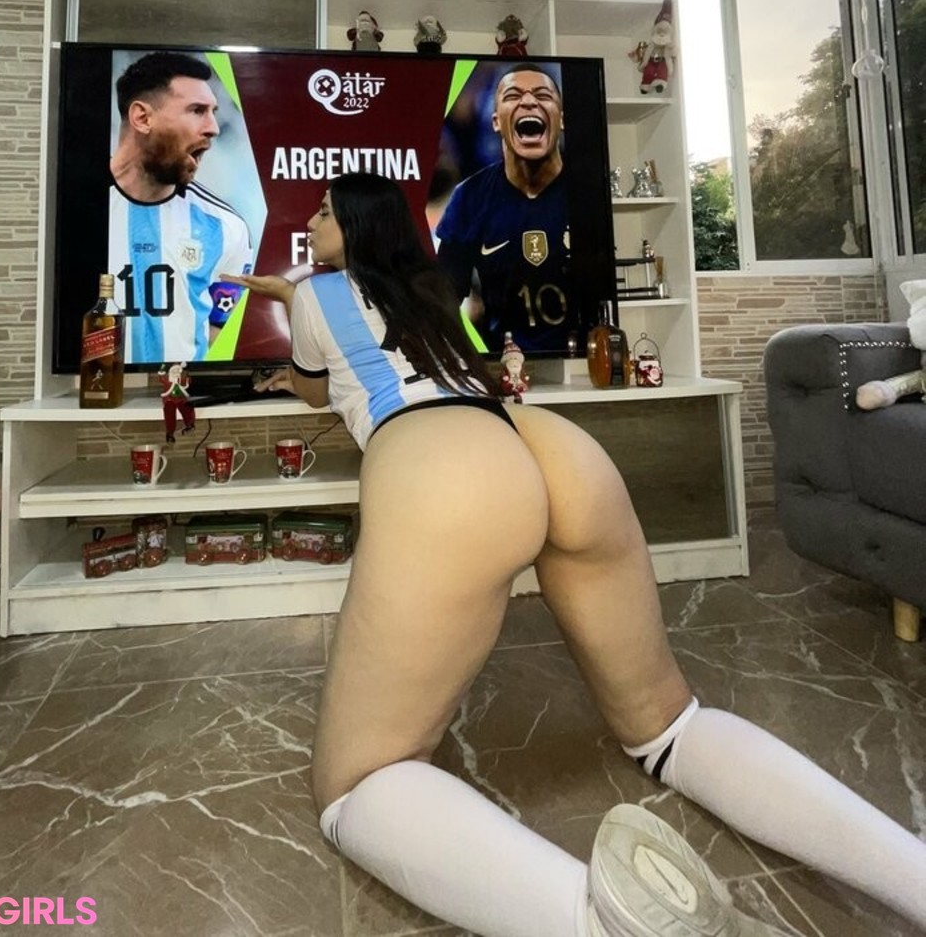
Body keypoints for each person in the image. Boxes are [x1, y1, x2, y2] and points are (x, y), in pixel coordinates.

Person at [225, 170, 926, 937]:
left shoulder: (316, 292)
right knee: (670, 726)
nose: (311, 222)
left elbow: (314, 389)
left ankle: (606, 925)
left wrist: (287, 299)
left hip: (444, 466)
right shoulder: (428, 289)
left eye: (325, 211)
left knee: (355, 784)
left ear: (356, 226)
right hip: (545, 441)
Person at [109, 50, 252, 364]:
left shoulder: (226, 227)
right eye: (197, 110)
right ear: (142, 118)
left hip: (182, 390)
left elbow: (216, 326)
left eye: (213, 112)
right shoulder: (75, 211)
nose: (213, 128)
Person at [436, 63, 575, 352]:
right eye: (513, 95)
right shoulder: (469, 197)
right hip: (500, 361)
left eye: (542, 95)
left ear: (561, 119)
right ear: (496, 121)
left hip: (581, 354)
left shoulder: (586, 189)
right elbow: (443, 301)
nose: (529, 101)